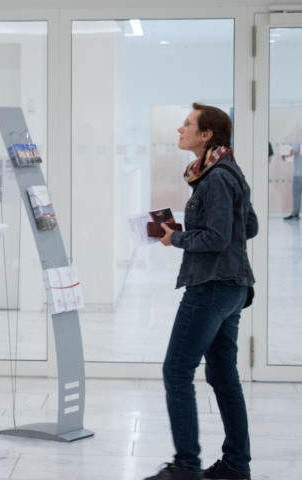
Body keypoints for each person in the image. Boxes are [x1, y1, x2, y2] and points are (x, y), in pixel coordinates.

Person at [145, 103, 257, 480]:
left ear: (207, 135)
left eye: (188, 125)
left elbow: (218, 236)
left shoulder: (215, 178)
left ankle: (186, 467)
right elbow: (250, 226)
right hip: (232, 287)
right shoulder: (227, 171)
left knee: (176, 371)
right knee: (223, 375)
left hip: (211, 287)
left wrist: (175, 237)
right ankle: (236, 466)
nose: (180, 129)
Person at [281, 139, 301, 220]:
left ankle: (295, 214)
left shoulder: (299, 143)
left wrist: (283, 156)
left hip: (298, 175)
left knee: (296, 196)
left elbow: (292, 152)